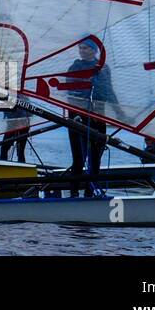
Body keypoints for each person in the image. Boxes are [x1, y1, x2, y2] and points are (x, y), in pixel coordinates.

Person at [60, 37, 115, 197]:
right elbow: (71, 94)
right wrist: (75, 115)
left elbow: (109, 92)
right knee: (79, 158)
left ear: (94, 50)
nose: (82, 51)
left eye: (85, 48)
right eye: (80, 48)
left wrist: (121, 114)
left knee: (95, 158)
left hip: (98, 117)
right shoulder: (74, 67)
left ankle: (91, 192)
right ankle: (74, 192)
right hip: (77, 118)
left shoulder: (103, 68)